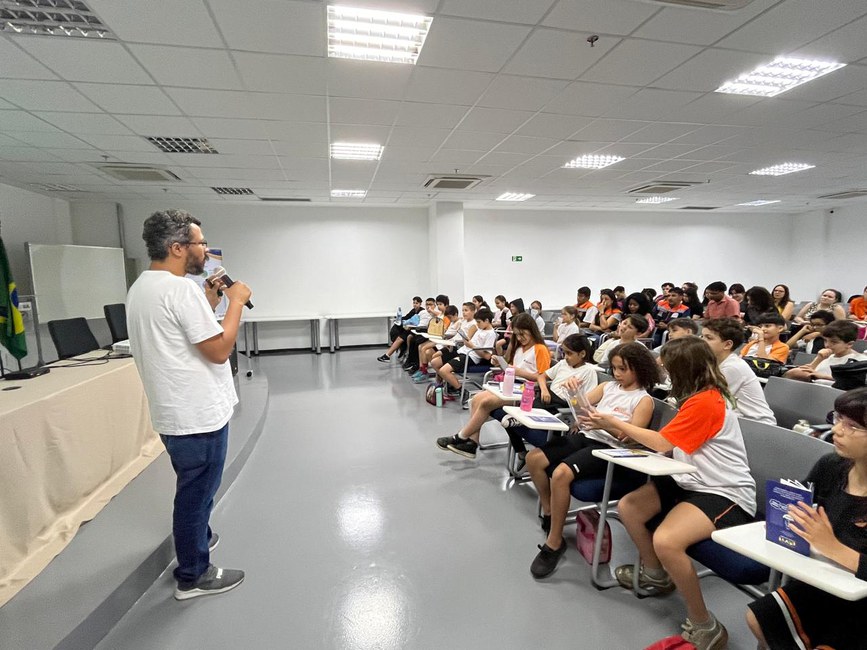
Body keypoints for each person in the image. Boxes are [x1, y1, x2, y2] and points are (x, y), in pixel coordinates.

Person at [585, 337, 756, 650]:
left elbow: (662, 442)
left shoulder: (707, 401)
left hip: (723, 492)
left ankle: (706, 625)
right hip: (689, 480)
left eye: (669, 369)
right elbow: (674, 446)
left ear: (683, 371)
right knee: (631, 507)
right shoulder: (695, 398)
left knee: (667, 540)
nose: (664, 375)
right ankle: (655, 574)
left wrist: (611, 420)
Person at [126, 209, 250, 600]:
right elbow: (217, 349)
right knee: (197, 492)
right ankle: (193, 575)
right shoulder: (179, 290)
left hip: (174, 411)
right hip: (197, 414)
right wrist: (235, 302)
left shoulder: (144, 286)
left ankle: (200, 537)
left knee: (193, 486)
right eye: (199, 243)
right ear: (177, 247)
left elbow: (188, 335)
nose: (205, 250)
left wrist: (211, 301)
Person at [746, 387, 867, 650]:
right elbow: (795, 505)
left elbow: (830, 547)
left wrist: (831, 546)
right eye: (838, 419)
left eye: (853, 426)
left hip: (861, 600)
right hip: (826, 578)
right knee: (758, 617)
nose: (836, 431)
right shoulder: (832, 466)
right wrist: (787, 517)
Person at [527, 342, 658, 579]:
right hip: (587, 436)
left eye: (622, 369)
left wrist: (606, 425)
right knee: (534, 459)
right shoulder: (608, 386)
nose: (617, 373)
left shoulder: (643, 400)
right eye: (615, 368)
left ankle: (554, 542)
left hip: (609, 448)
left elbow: (630, 439)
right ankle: (549, 512)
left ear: (639, 369)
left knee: (560, 474)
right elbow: (580, 406)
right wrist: (573, 391)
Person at [436, 313, 549, 455]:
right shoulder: (519, 348)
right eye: (517, 335)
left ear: (532, 330)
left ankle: (460, 436)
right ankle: (473, 442)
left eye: (522, 334)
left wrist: (519, 372)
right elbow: (511, 369)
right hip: (513, 385)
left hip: (528, 391)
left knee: (486, 403)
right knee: (476, 399)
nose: (520, 338)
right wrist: (501, 363)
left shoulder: (540, 349)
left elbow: (542, 377)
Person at [499, 334, 598, 470]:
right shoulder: (563, 364)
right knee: (508, 419)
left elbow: (587, 401)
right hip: (548, 396)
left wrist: (577, 420)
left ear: (582, 354)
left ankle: (520, 419)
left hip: (563, 404)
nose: (565, 357)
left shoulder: (589, 372)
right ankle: (521, 451)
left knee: (515, 416)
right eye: (564, 353)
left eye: (569, 353)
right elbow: (542, 376)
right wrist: (544, 389)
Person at [701, 318, 776, 424]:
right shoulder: (714, 363)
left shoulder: (733, 367)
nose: (701, 341)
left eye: (709, 338)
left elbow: (706, 399)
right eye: (702, 336)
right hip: (736, 419)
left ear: (727, 345)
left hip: (756, 425)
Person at [431, 308, 496, 408]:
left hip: (470, 356)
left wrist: (472, 346)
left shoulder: (491, 334)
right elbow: (471, 341)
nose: (477, 324)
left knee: (444, 371)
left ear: (487, 320)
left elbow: (487, 356)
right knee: (434, 362)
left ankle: (463, 392)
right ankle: (451, 385)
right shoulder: (480, 329)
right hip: (462, 351)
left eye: (479, 322)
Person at [784, 320, 866, 384]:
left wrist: (823, 376)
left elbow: (854, 382)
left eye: (834, 342)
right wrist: (818, 359)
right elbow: (808, 371)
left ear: (849, 344)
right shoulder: (826, 357)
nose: (827, 345)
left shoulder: (860, 361)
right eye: (825, 341)